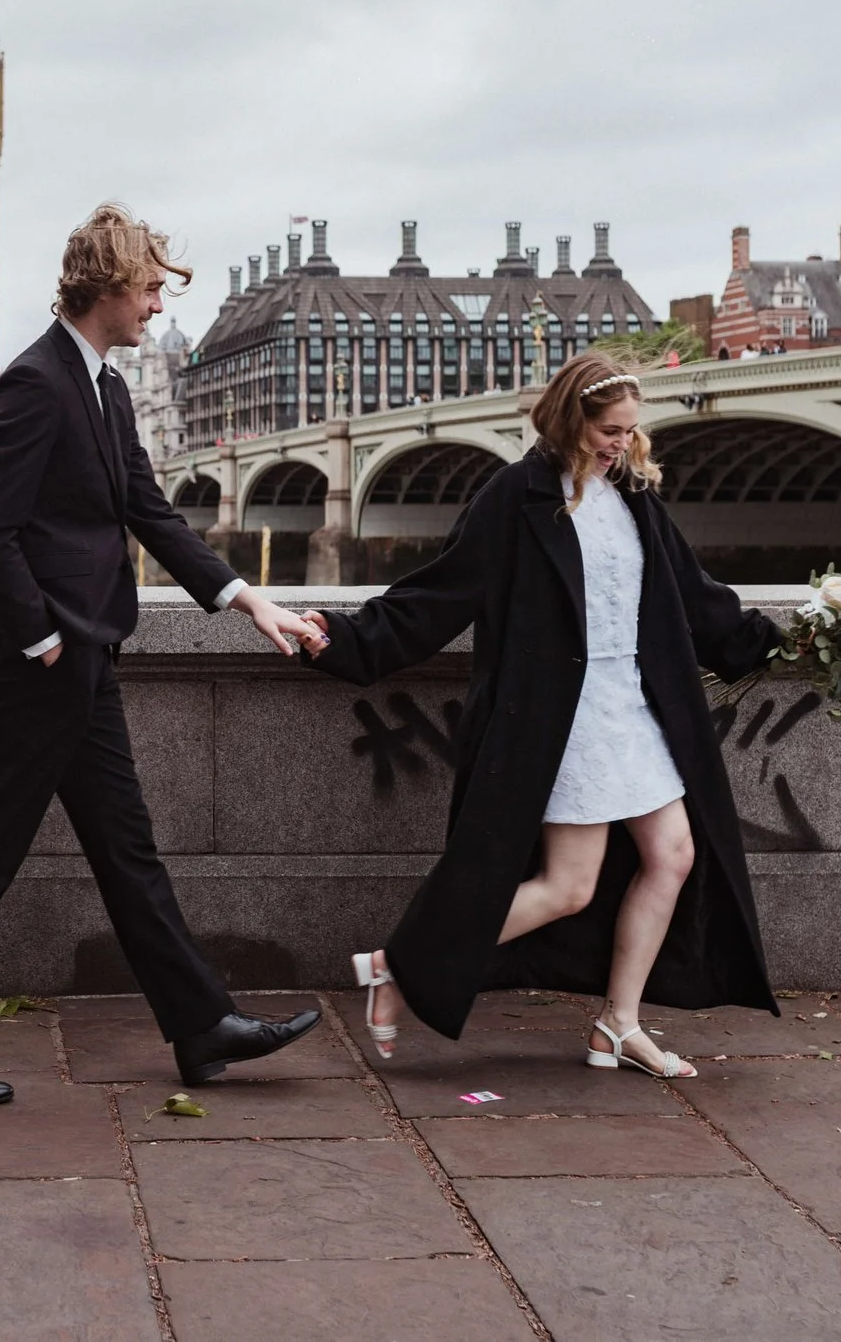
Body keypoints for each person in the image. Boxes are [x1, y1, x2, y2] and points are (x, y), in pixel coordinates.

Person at [0, 203, 325, 1108]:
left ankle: (200, 1023)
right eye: (151, 286)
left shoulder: (106, 388)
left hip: (86, 653)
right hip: (45, 660)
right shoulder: (36, 381)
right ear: (108, 286)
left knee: (127, 850)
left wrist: (248, 600)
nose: (158, 304)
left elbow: (149, 514)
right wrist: (40, 640)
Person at [300, 352, 783, 1079]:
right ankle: (400, 966)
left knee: (673, 855)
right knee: (570, 887)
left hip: (637, 708)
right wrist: (338, 636)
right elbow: (438, 594)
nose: (621, 443)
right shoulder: (513, 496)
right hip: (569, 718)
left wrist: (783, 638)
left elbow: (693, 592)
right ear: (571, 419)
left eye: (628, 431)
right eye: (608, 430)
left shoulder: (632, 494)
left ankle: (619, 1026)